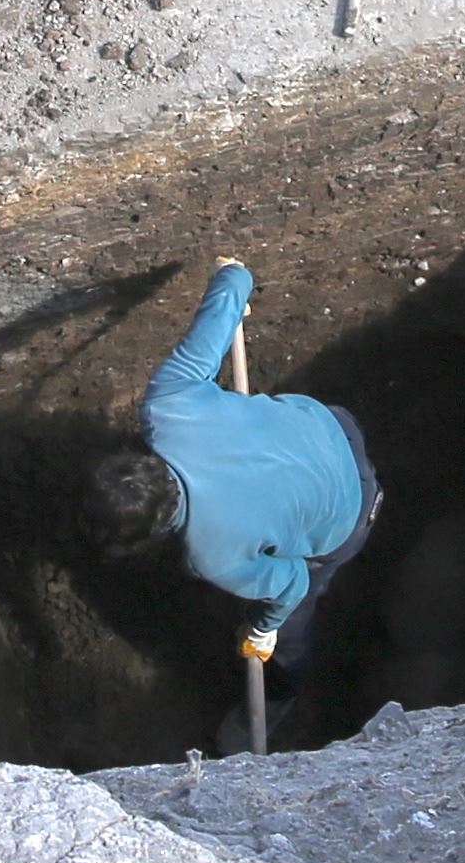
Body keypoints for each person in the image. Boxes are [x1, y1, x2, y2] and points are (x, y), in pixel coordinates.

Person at [80, 260, 376, 670]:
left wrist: (261, 629)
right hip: (333, 427)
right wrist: (231, 279)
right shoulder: (167, 401)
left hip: (351, 512)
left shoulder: (215, 557)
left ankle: (287, 681)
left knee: (294, 611)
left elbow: (293, 582)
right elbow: (233, 286)